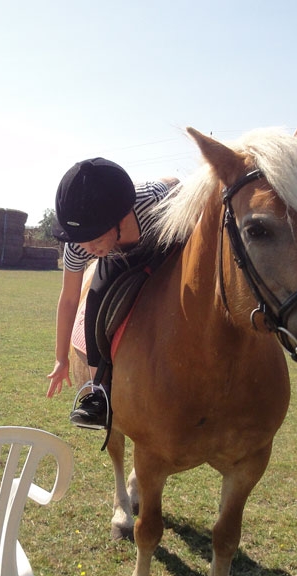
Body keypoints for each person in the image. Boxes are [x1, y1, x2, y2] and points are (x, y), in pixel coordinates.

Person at [45, 158, 177, 428]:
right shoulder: (80, 244)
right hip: (117, 259)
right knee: (94, 304)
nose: (88, 247)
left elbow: (173, 184)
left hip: (163, 243)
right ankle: (100, 394)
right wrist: (60, 359)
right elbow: (69, 299)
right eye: (81, 239)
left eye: (96, 237)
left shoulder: (154, 201)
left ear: (120, 218)